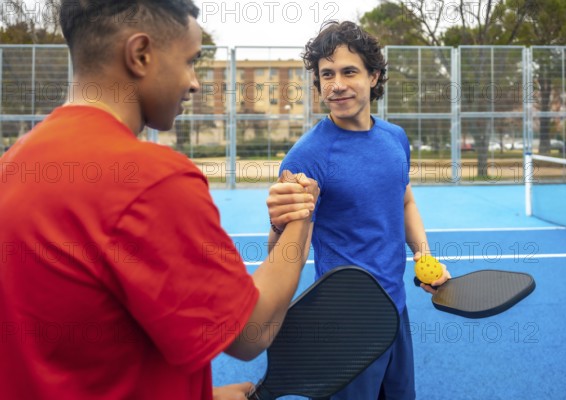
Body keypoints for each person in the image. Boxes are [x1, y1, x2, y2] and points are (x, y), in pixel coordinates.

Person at [0, 1, 318, 399]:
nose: (194, 83)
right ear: (140, 55)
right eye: (189, 61)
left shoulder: (13, 165)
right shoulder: (151, 181)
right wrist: (302, 213)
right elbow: (250, 333)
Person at [269, 21, 451, 399]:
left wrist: (423, 256)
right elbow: (282, 255)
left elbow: (405, 201)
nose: (337, 84)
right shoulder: (306, 157)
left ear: (374, 76)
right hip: (344, 321)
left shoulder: (395, 138)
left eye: (349, 71)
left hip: (395, 310)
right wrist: (277, 225)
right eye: (327, 75)